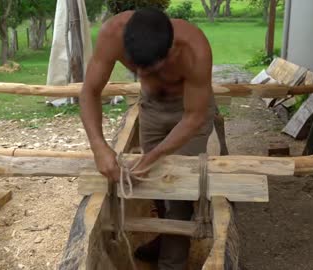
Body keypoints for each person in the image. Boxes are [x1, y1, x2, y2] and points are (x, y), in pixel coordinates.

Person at [79, 7, 227, 270]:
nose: (146, 76)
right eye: (139, 72)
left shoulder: (195, 48)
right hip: (152, 109)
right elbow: (90, 91)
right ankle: (163, 238)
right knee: (152, 185)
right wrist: (98, 146)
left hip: (190, 110)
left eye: (154, 69)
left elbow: (193, 118)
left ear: (171, 49)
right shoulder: (113, 34)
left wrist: (154, 156)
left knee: (179, 191)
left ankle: (171, 264)